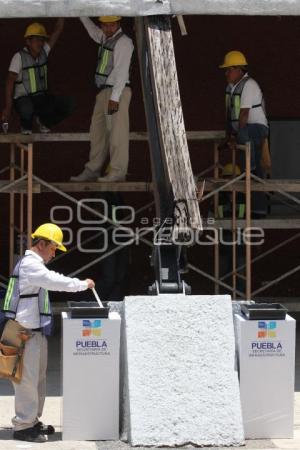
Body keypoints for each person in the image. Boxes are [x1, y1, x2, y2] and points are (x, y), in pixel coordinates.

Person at [1, 223, 95, 443]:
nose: (54, 253)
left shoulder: (35, 264)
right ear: (41, 244)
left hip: (33, 332)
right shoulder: (31, 266)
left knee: (37, 381)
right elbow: (54, 281)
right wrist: (82, 284)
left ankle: (32, 420)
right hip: (23, 332)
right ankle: (23, 426)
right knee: (25, 381)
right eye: (53, 248)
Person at [70, 16, 134, 183]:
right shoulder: (106, 38)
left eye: (112, 25)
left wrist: (115, 98)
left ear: (118, 23)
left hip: (117, 92)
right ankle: (93, 169)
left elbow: (121, 71)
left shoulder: (124, 42)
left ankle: (118, 171)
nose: (108, 28)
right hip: (103, 92)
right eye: (105, 25)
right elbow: (93, 33)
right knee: (97, 132)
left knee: (117, 133)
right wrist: (81, 14)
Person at [219, 50, 269, 217]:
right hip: (243, 131)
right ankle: (258, 209)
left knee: (250, 166)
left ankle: (251, 169)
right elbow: (229, 114)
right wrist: (230, 136)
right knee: (252, 172)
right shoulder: (231, 88)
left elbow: (244, 115)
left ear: (239, 69)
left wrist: (235, 136)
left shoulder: (249, 85)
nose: (226, 73)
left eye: (229, 69)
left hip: (257, 128)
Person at [2, 20, 74, 134]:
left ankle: (43, 122)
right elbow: (9, 81)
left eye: (42, 40)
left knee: (68, 104)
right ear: (28, 42)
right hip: (23, 100)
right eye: (36, 40)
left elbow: (57, 30)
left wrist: (63, 10)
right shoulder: (19, 57)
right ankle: (26, 127)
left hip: (40, 99)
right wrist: (8, 107)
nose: (40, 43)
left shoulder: (44, 51)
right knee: (27, 108)